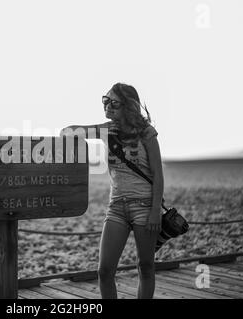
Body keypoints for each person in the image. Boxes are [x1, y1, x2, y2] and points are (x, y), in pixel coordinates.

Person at [60, 83, 164, 299]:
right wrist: (98, 130)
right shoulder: (107, 130)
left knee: (145, 266)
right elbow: (66, 132)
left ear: (128, 106)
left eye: (113, 102)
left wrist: (156, 211)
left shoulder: (146, 133)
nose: (107, 106)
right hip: (116, 207)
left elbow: (158, 174)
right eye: (104, 100)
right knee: (104, 271)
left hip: (144, 207)